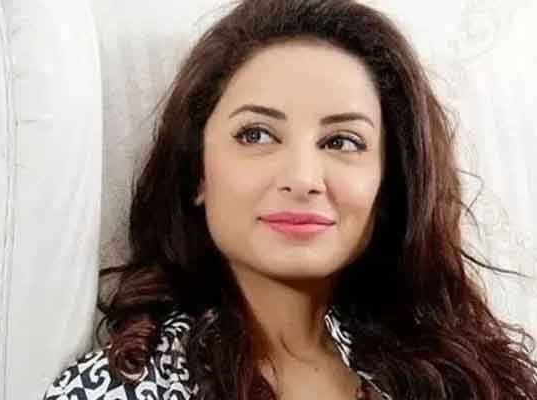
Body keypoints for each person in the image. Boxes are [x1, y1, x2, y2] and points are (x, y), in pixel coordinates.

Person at [43, 0, 537, 399]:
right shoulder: (120, 389)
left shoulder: (469, 375)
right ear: (197, 172)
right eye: (256, 135)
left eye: (342, 141)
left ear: (389, 185)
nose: (302, 179)